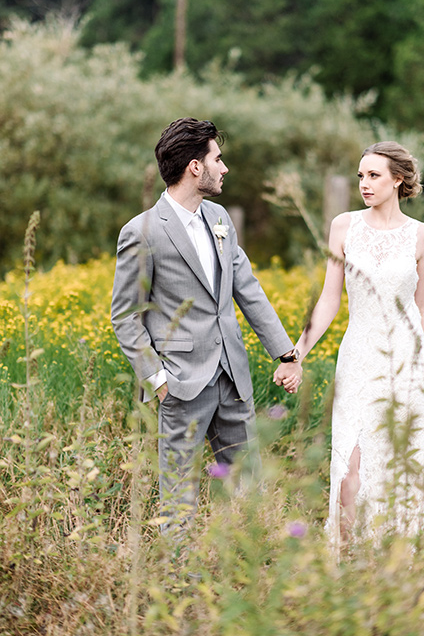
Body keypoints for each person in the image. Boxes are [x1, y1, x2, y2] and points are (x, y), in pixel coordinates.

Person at [111, 117, 295, 529]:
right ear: (196, 166)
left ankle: (246, 576)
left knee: (249, 488)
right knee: (178, 497)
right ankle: (178, 584)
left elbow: (247, 288)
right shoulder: (140, 232)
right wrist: (158, 381)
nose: (224, 168)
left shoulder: (220, 219)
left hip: (232, 376)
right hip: (180, 384)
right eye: (218, 158)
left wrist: (285, 352)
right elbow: (124, 316)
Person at [274, 141, 424, 546]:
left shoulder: (422, 237)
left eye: (373, 175)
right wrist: (295, 353)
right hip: (358, 359)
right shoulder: (344, 226)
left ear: (399, 180)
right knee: (350, 466)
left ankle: (396, 563)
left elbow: (418, 309)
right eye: (361, 176)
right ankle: (349, 560)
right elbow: (329, 300)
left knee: (402, 465)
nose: (365, 184)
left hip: (405, 365)